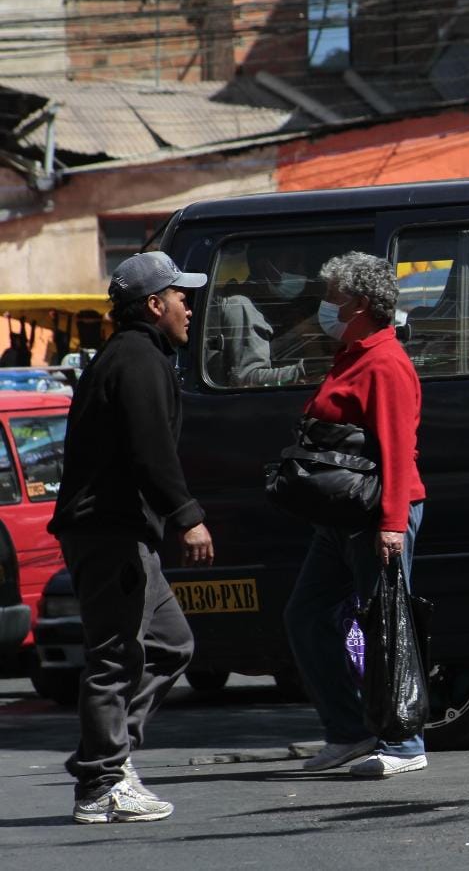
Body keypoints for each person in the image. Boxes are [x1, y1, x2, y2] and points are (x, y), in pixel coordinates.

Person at [48, 251, 215, 823]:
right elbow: (151, 451)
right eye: (179, 296)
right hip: (110, 533)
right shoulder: (137, 360)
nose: (188, 306)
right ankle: (101, 783)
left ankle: (110, 757)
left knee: (170, 644)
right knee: (115, 656)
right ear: (153, 305)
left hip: (122, 532)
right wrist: (187, 515)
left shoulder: (138, 356)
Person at [284, 251, 428, 778]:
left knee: (386, 623)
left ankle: (405, 741)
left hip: (375, 516)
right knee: (307, 616)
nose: (325, 306)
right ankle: (348, 732)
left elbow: (397, 447)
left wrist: (391, 524)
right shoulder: (351, 354)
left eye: (332, 297)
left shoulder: (385, 362)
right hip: (344, 518)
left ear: (360, 304)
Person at [206, 245, 314, 387]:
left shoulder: (280, 308)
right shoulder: (241, 306)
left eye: (303, 264)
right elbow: (246, 378)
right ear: (265, 266)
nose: (301, 271)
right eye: (292, 263)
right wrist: (307, 371)